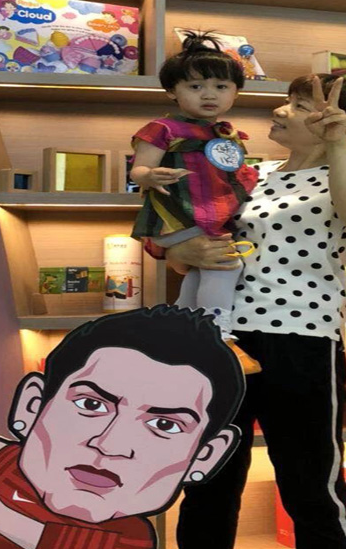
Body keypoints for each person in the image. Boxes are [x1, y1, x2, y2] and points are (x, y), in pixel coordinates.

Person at [151, 74, 346, 549]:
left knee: (310, 482)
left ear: (342, 122)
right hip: (219, 339)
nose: (279, 111)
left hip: (301, 337)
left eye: (298, 106)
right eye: (287, 102)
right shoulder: (247, 171)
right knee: (208, 478)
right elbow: (185, 244)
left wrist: (338, 145)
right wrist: (182, 253)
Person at [0, 305, 245, 549]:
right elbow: (0, 460)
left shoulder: (130, 538)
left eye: (164, 424)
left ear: (205, 457)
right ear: (31, 406)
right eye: (91, 405)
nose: (110, 445)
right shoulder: (23, 480)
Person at [129, 31, 260, 373]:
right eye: (196, 86)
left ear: (235, 91)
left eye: (221, 86)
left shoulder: (226, 133)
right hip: (176, 213)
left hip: (212, 214)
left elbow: (234, 173)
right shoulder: (163, 128)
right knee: (226, 265)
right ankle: (217, 335)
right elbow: (138, 170)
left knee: (204, 271)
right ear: (172, 91)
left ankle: (183, 328)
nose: (209, 94)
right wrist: (149, 175)